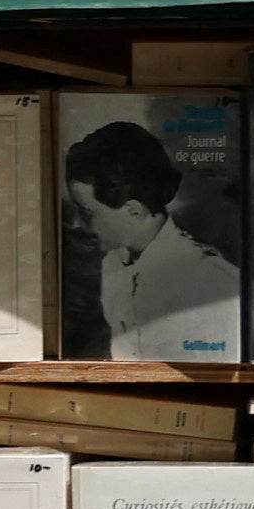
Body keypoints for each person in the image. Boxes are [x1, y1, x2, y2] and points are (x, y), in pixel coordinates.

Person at [63, 119, 238, 359]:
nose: (75, 223)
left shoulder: (215, 282)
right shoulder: (112, 265)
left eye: (86, 212)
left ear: (134, 210)